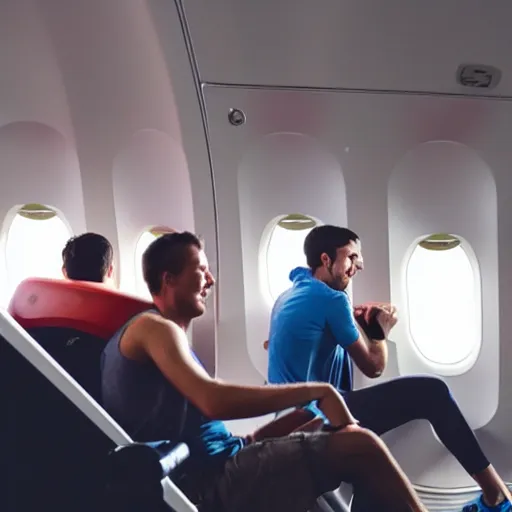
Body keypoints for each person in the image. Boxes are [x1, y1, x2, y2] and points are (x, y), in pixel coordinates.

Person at [100, 231, 429, 512]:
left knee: (330, 432)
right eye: (201, 269)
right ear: (168, 279)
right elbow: (212, 399)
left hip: (226, 458)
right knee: (361, 446)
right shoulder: (154, 327)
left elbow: (217, 434)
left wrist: (290, 422)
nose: (211, 279)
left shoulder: (162, 334)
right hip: (211, 481)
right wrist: (319, 391)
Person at [267, 224, 512, 512]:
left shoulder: (290, 295)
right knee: (432, 391)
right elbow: (373, 366)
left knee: (368, 463)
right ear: (325, 259)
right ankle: (496, 497)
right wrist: (380, 331)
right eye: (351, 257)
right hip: (315, 420)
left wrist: (355, 321)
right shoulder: (331, 299)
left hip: (290, 420)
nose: (358, 265)